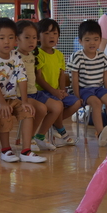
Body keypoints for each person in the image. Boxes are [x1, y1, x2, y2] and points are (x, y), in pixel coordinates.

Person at [0, 18, 46, 164]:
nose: (6, 42)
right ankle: (6, 150)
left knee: (28, 111)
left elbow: (22, 78)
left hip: (12, 97)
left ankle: (26, 150)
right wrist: (2, 103)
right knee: (5, 112)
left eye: (10, 38)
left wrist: (24, 101)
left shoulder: (16, 56)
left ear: (15, 39)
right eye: (2, 38)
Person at [69, 20, 107, 147]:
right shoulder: (77, 57)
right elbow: (74, 78)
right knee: (96, 103)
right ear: (80, 41)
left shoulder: (102, 56)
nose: (92, 43)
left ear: (100, 40)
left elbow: (106, 75)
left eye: (95, 39)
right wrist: (77, 96)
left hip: (99, 88)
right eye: (87, 39)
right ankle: (100, 133)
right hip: (84, 89)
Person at [15, 20, 61, 152]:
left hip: (34, 92)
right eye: (27, 38)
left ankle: (39, 136)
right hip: (20, 95)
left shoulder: (33, 55)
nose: (31, 41)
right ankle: (29, 139)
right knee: (41, 109)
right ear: (17, 39)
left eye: (34, 38)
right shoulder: (14, 57)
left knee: (57, 106)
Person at [35, 18, 82, 146]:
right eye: (47, 33)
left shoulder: (59, 55)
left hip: (56, 92)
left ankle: (53, 122)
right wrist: (54, 92)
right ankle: (59, 130)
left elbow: (62, 75)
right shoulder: (37, 54)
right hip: (43, 92)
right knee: (58, 105)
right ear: (38, 37)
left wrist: (62, 91)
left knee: (77, 102)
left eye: (54, 33)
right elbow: (38, 77)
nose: (51, 36)